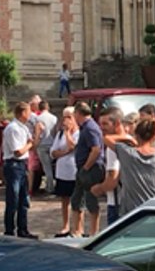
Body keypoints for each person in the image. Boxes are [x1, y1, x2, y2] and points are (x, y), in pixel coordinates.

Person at [107, 118, 155, 217]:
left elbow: (107, 139)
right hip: (152, 212)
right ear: (154, 137)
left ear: (136, 135)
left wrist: (129, 139)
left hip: (130, 215)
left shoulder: (127, 153)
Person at [1, 101, 36, 239]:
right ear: (22, 113)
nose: (30, 115)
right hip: (14, 165)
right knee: (13, 199)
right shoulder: (13, 128)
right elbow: (18, 151)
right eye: (28, 112)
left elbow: (31, 142)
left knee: (23, 199)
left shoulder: (23, 128)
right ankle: (9, 230)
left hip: (22, 165)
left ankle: (23, 229)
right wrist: (29, 144)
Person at [70, 102, 104, 237]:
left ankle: (93, 233)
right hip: (83, 168)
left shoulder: (90, 128)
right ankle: (78, 231)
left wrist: (86, 167)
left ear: (78, 113)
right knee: (77, 200)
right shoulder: (85, 127)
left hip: (91, 169)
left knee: (91, 200)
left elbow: (96, 149)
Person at [50, 106, 78, 237]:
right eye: (64, 117)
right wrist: (65, 152)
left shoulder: (78, 133)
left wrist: (68, 133)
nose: (66, 120)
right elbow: (53, 152)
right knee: (64, 199)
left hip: (74, 171)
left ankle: (77, 227)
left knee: (77, 201)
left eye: (69, 117)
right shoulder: (59, 134)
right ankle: (65, 225)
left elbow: (73, 146)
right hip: (62, 171)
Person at [34, 100, 58, 195]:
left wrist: (35, 145)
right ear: (48, 107)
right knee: (52, 166)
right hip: (52, 143)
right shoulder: (54, 118)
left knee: (46, 167)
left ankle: (50, 187)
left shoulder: (38, 118)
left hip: (42, 144)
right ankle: (52, 185)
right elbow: (55, 131)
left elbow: (37, 133)